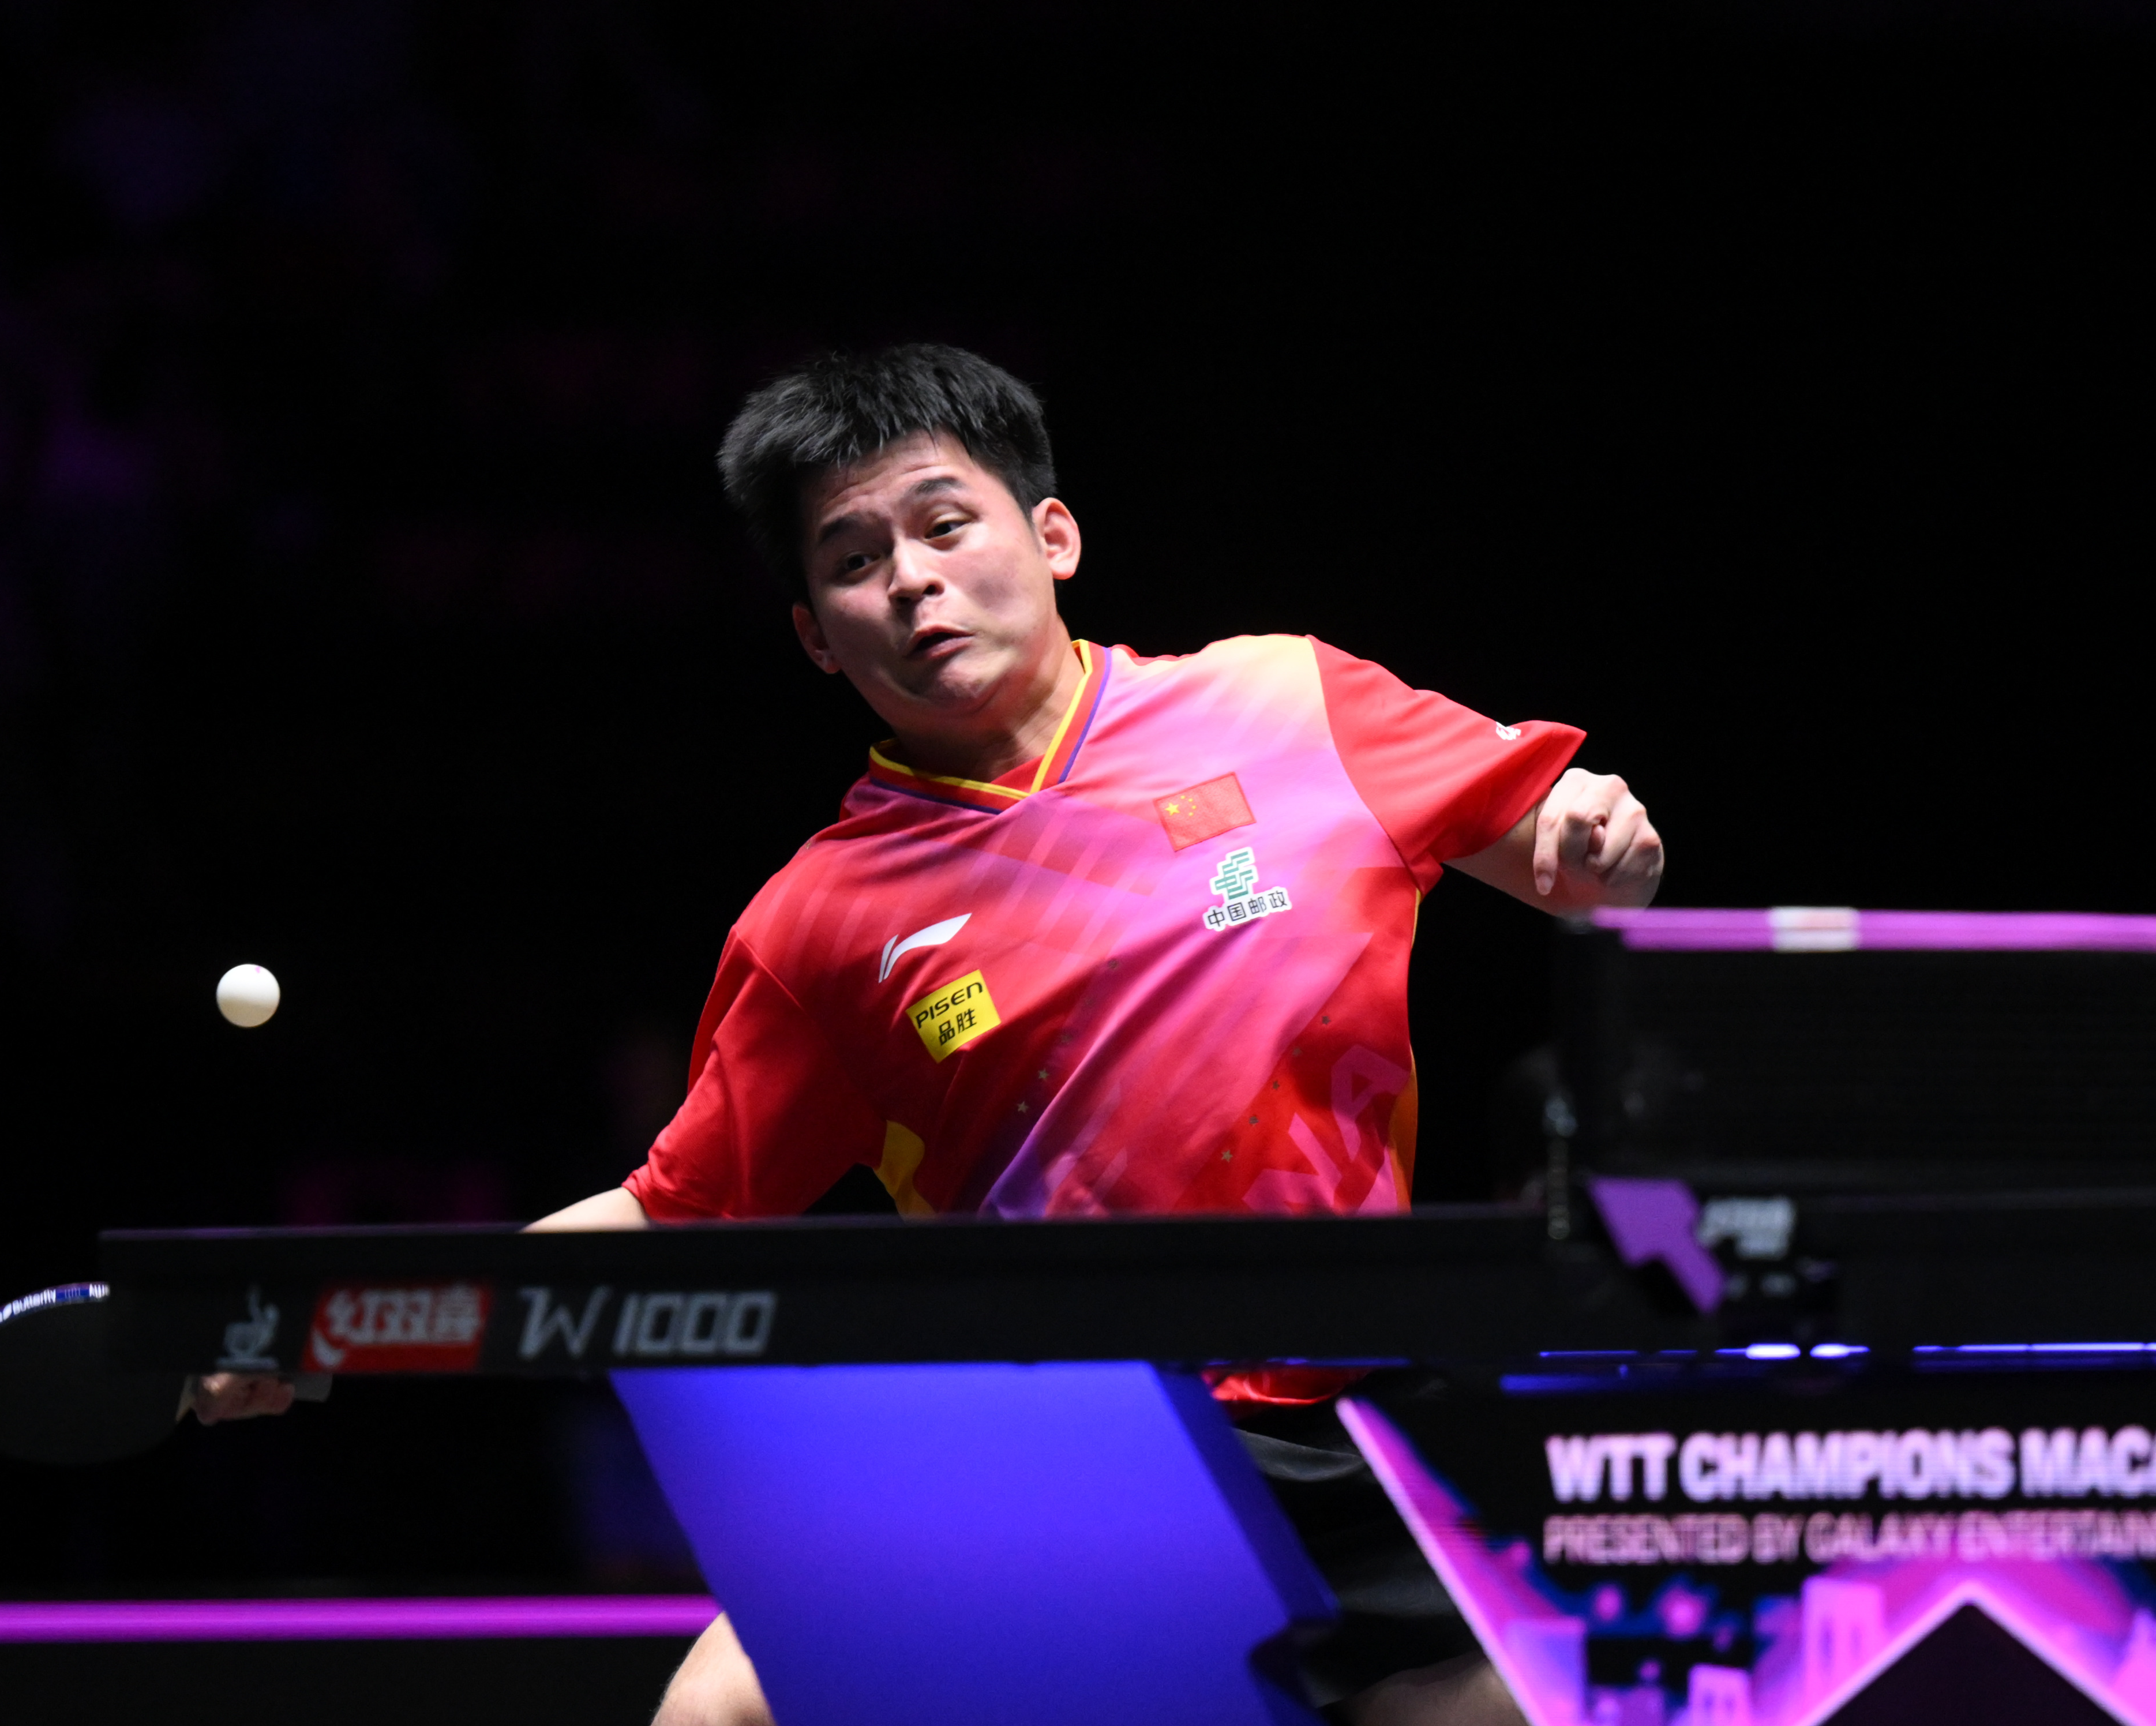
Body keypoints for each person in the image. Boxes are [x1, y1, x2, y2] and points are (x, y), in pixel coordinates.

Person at [200, 344, 1663, 1724]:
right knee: (722, 1701)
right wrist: (332, 1324)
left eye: (945, 524)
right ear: (812, 638)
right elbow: (667, 1219)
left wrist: (1595, 845)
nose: (909, 578)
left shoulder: (1285, 701)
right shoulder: (821, 922)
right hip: (1061, 1436)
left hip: (1357, 1408)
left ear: (1052, 535)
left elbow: (1562, 856)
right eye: (852, 560)